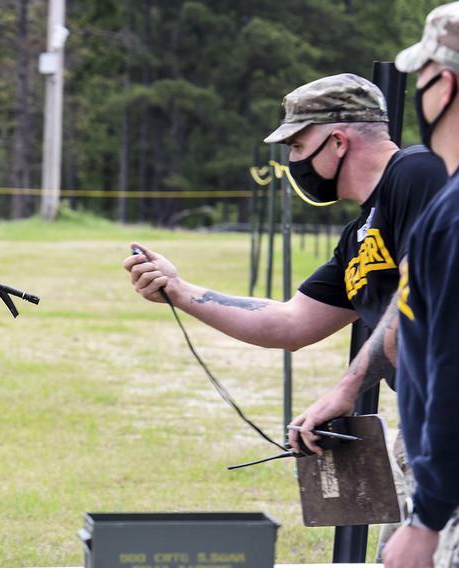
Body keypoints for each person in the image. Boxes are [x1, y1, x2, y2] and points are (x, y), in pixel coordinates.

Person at [124, 73, 444, 367]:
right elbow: (291, 323)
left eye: (297, 145)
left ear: (338, 141)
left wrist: (345, 389)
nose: (293, 161)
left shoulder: (419, 173)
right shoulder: (357, 238)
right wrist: (179, 291)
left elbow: (415, 301)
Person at [378, 4, 459, 567]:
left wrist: (427, 520)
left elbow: (452, 367)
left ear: (445, 84)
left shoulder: (451, 217)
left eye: (422, 78)